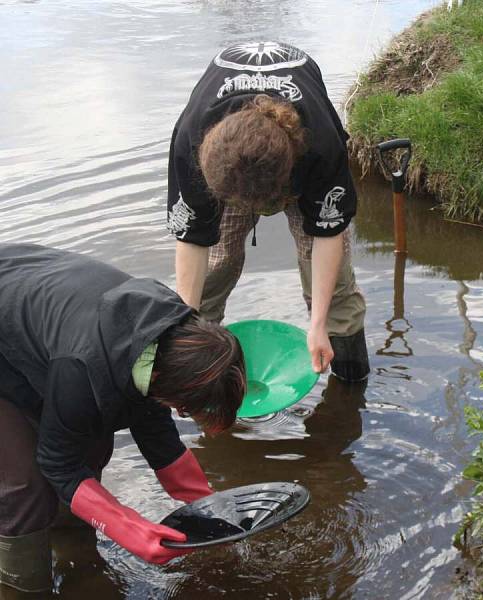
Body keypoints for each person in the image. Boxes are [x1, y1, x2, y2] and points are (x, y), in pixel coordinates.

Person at [0, 243, 246, 593]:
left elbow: (156, 429)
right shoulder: (83, 367)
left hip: (45, 321)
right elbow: (57, 463)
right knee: (27, 482)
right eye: (185, 409)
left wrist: (213, 514)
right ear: (168, 383)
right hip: (19, 328)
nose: (179, 414)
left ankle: (74, 547)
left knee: (91, 446)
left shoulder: (174, 338)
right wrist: (127, 527)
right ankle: (21, 584)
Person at [167, 41, 368, 382]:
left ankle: (350, 381)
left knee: (332, 287)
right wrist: (184, 328)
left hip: (296, 157)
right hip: (225, 163)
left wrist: (318, 325)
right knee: (217, 263)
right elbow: (193, 237)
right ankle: (198, 365)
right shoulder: (191, 143)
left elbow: (328, 233)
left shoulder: (321, 145)